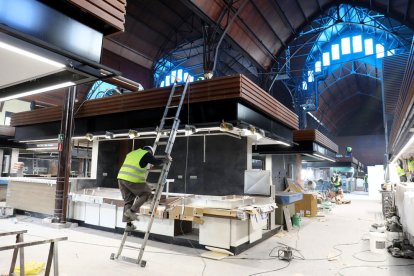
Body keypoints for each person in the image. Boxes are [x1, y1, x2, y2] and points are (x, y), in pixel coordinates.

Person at [117, 145, 172, 231]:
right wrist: (166, 160)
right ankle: (131, 211)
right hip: (131, 179)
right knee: (146, 193)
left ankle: (128, 225)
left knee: (128, 201)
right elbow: (156, 162)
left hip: (121, 179)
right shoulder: (146, 154)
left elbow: (139, 164)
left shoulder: (132, 154)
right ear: (150, 152)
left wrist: (149, 166)